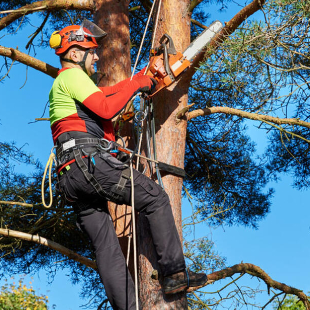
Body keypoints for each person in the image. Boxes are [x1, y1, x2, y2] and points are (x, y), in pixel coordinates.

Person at [49, 19, 208, 310]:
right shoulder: (71, 77)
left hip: (71, 175)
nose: (96, 56)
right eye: (91, 51)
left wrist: (138, 80)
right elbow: (108, 107)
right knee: (156, 199)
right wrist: (137, 83)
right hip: (88, 163)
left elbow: (105, 100)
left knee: (106, 246)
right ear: (74, 54)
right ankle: (174, 274)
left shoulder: (68, 85)